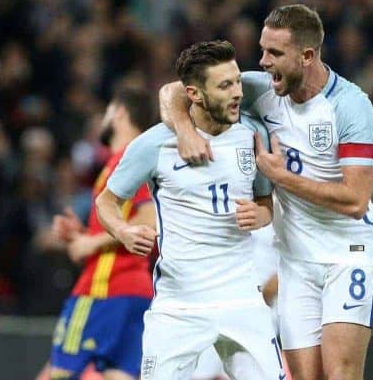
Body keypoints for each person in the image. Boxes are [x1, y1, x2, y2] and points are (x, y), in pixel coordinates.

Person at [159, 4, 373, 380]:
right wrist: (183, 129)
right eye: (263, 50)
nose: (263, 62)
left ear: (307, 56)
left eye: (274, 53)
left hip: (349, 253)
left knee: (341, 372)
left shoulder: (350, 106)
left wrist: (282, 178)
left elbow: (356, 200)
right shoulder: (263, 90)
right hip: (295, 260)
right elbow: (174, 92)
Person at [95, 40, 284, 380]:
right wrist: (123, 231)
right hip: (179, 305)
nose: (238, 92)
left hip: (242, 298)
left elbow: (265, 203)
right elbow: (106, 202)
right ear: (194, 94)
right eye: (225, 85)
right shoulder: (154, 145)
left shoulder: (253, 134)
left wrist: (261, 215)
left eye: (238, 81)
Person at [46, 88, 159, 380]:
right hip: (136, 291)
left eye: (108, 110)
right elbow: (130, 223)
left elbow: (148, 221)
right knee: (118, 375)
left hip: (105, 288)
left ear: (119, 111)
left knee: (60, 373)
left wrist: (89, 243)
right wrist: (83, 233)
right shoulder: (127, 159)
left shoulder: (129, 159)